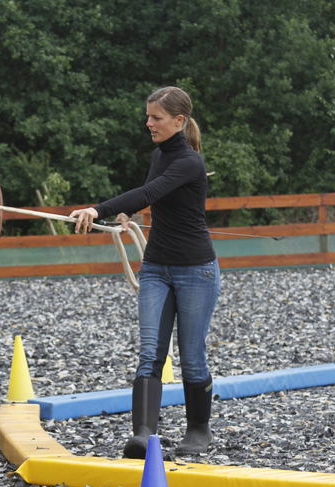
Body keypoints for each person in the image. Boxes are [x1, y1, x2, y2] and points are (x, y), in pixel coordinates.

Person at [70, 86, 220, 459]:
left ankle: (199, 430)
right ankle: (143, 434)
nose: (148, 123)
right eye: (148, 116)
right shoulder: (159, 155)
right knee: (150, 351)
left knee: (192, 354)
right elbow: (151, 196)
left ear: (179, 121)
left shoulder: (189, 162)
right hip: (155, 267)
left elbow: (150, 191)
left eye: (156, 117)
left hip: (195, 271)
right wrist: (126, 214)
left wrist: (97, 209)